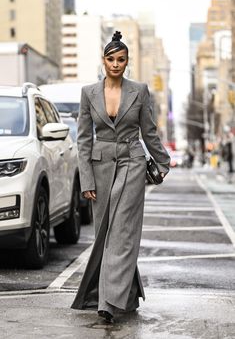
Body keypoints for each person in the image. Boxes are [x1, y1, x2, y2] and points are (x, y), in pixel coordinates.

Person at [71, 31, 170, 322]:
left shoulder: (138, 91)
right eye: (111, 59)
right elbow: (83, 141)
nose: (116, 64)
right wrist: (86, 180)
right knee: (106, 234)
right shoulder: (89, 92)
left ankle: (108, 302)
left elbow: (148, 131)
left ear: (127, 62)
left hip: (132, 163)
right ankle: (125, 293)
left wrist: (162, 161)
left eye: (121, 60)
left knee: (122, 234)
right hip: (100, 168)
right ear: (104, 61)